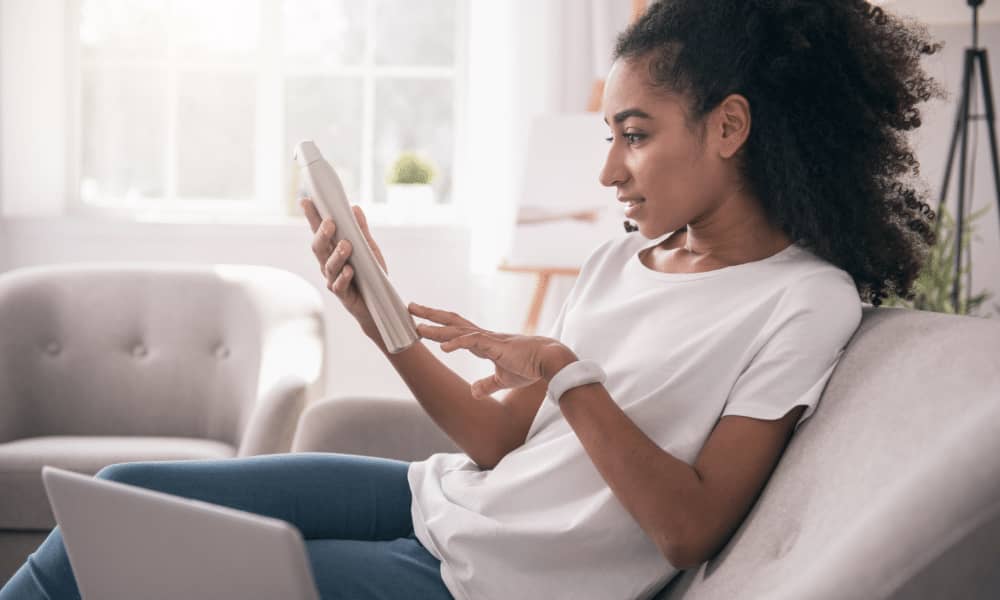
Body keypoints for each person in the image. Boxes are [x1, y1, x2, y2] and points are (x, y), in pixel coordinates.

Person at [1, 1, 942, 598]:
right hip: (437, 503)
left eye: (635, 134)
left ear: (729, 125)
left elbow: (689, 526)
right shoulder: (623, 262)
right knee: (115, 500)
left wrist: (571, 374)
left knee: (154, 572)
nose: (609, 169)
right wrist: (389, 328)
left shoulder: (804, 301)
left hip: (491, 583)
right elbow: (498, 442)